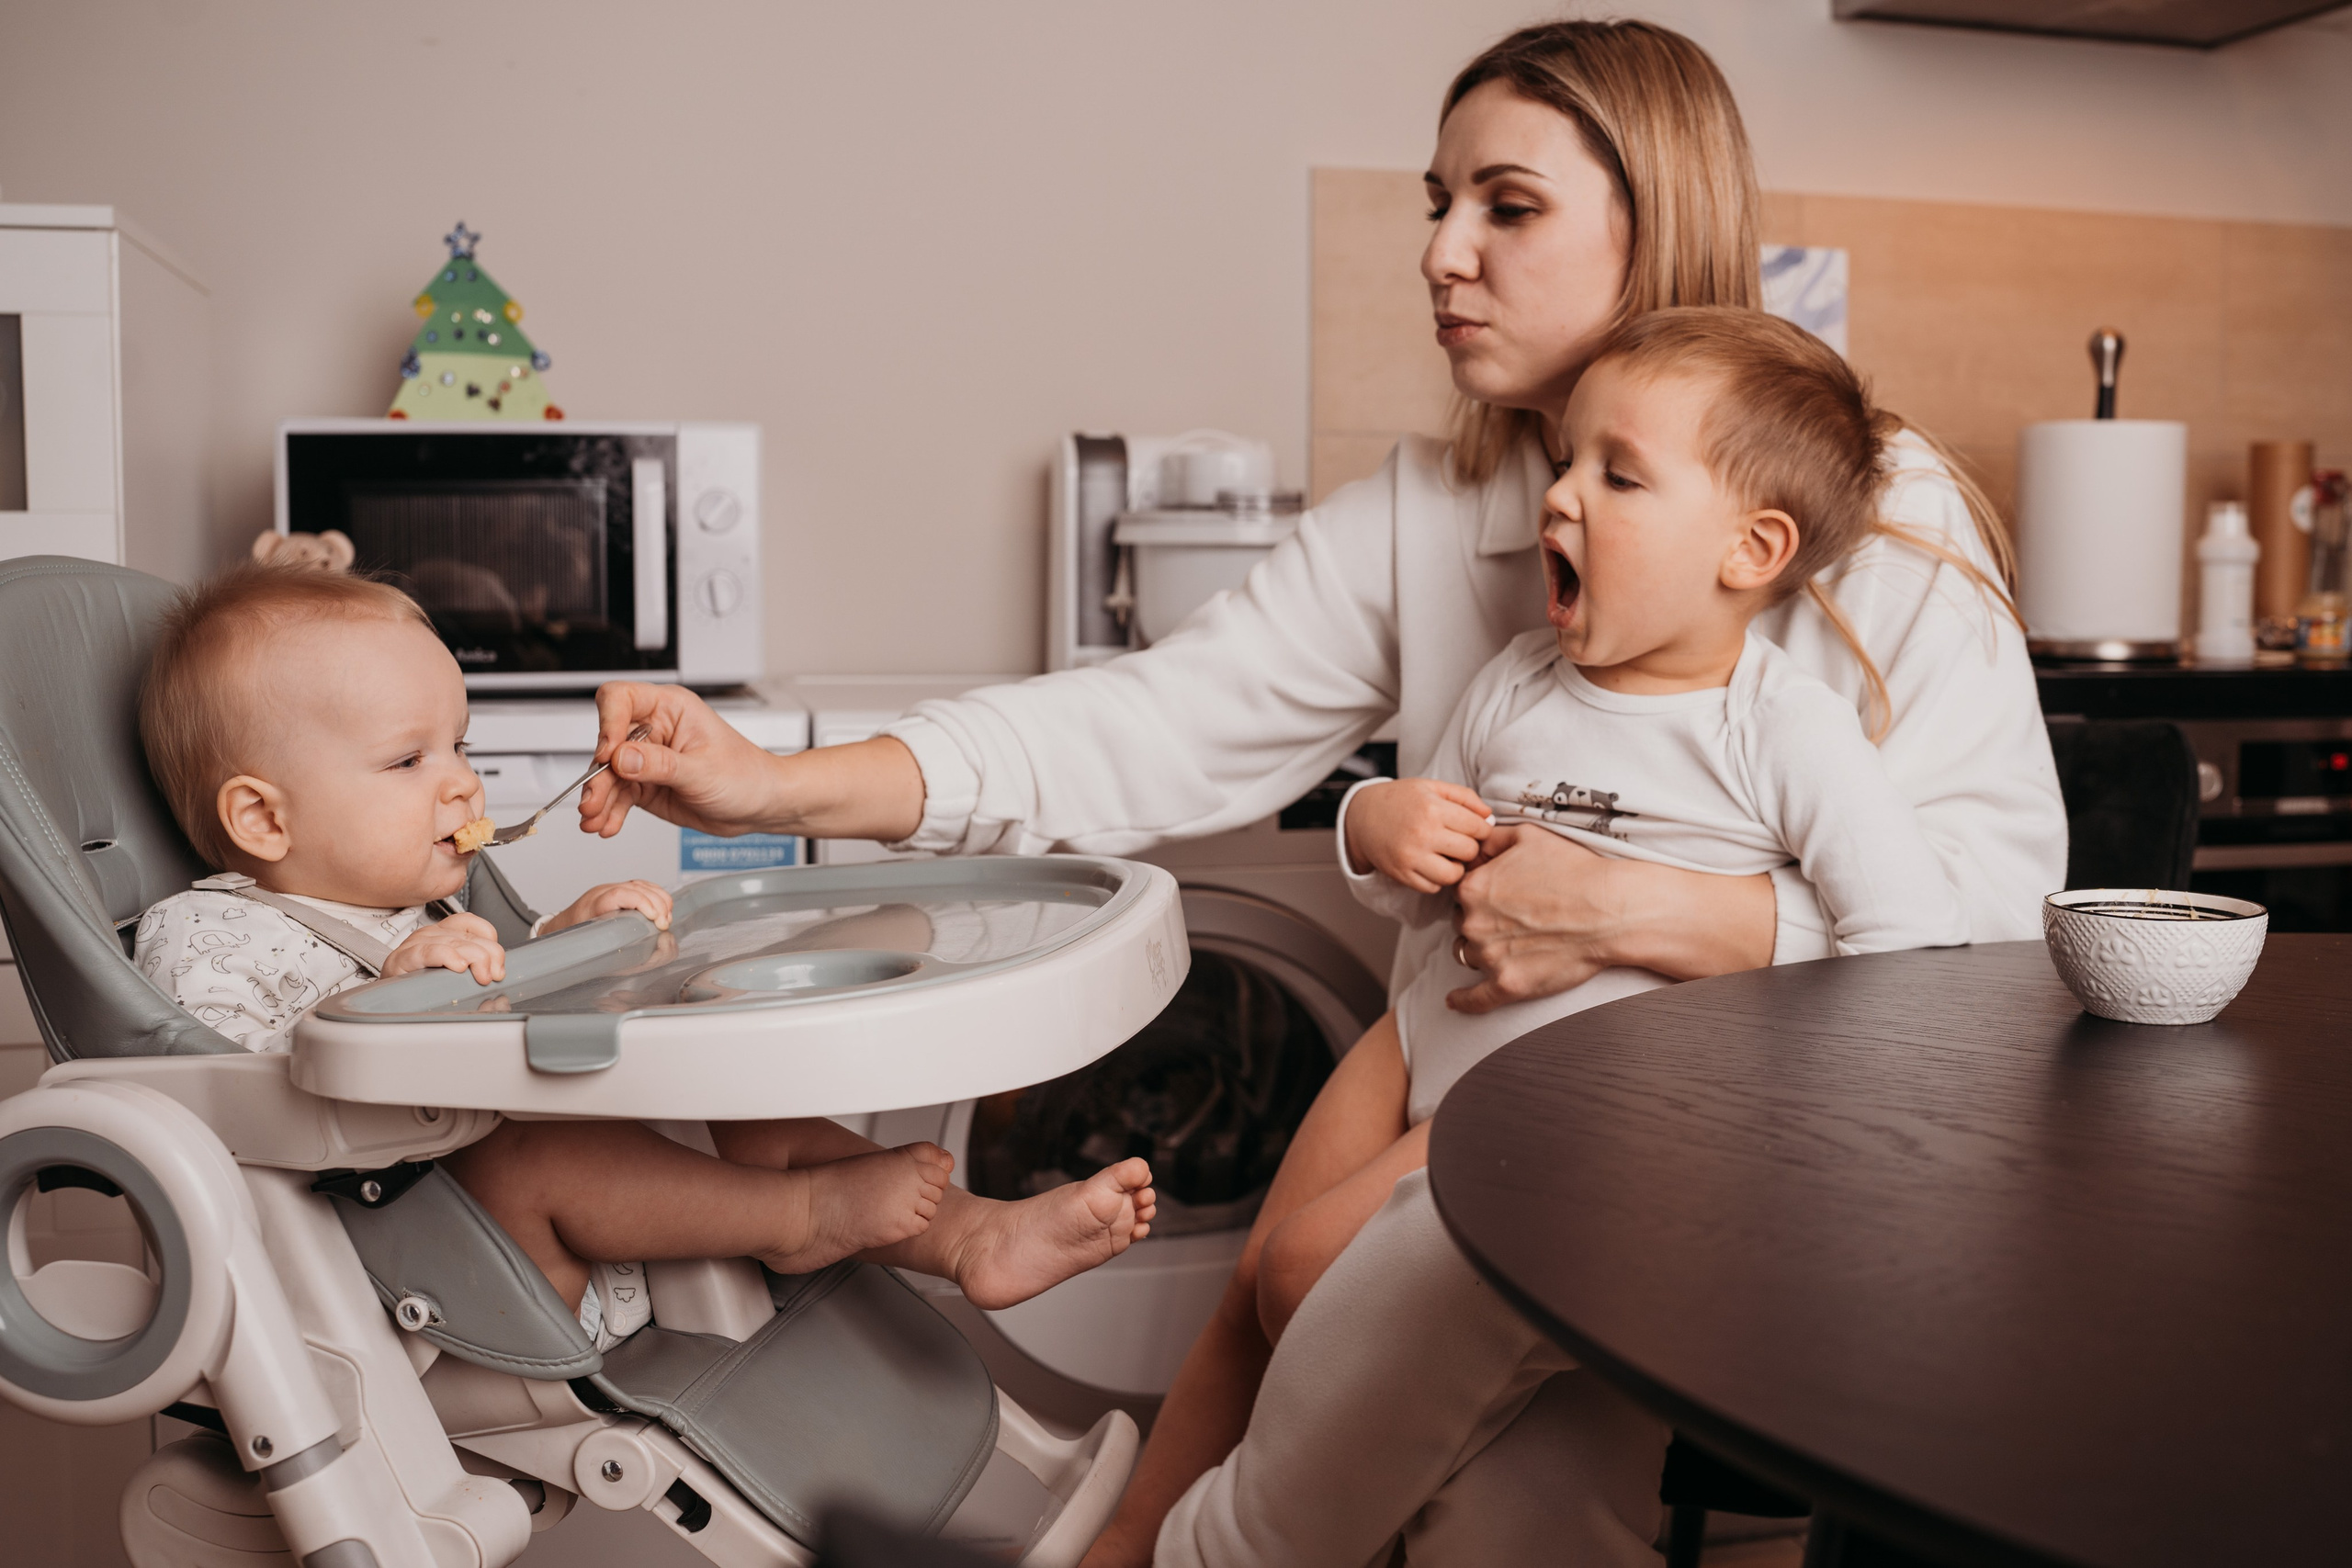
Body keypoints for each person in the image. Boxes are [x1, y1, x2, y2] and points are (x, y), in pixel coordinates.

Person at [575, 19, 2063, 1562]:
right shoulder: (1440, 511)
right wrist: (767, 783)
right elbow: (1152, 723)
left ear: (1657, 227)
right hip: (1459, 1066)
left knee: (1479, 1468)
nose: (1440, 252)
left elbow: (1995, 933)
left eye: (1507, 206)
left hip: (1717, 1129)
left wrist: (1657, 911)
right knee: (1280, 1291)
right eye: (1436, 203)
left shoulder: (1866, 512)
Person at [132, 562, 1159, 1350]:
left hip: (537, 1224)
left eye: (464, 749)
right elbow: (234, 1101)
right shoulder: (210, 933)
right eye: (409, 761)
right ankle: (796, 1217)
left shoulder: (423, 906)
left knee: (749, 1101)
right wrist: (391, 1002)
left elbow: (512, 1019)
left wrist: (573, 944)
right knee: (534, 1148)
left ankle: (971, 1238)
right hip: (410, 1271)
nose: (461, 788)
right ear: (262, 818)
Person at [1251, 305, 1999, 1337]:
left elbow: (1913, 949)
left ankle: (1255, 1510)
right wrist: (1376, 824)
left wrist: (1827, 1153)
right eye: (1567, 462)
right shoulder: (1514, 682)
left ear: (1750, 549)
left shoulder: (1784, 729)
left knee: (1301, 1278)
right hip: (1418, 1041)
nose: (1557, 495)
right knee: (1264, 1278)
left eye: (1617, 475)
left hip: (1561, 1097)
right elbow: (1413, 893)